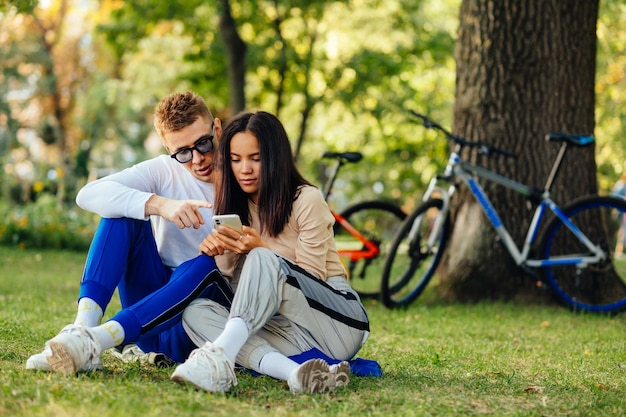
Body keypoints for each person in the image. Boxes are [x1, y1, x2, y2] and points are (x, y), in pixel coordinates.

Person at [26, 91, 233, 373]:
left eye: (203, 144)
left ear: (217, 129)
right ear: (168, 149)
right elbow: (87, 195)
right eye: (183, 152)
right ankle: (83, 332)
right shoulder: (164, 170)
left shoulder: (245, 177)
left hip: (196, 321)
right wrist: (158, 204)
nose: (197, 159)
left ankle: (93, 341)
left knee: (205, 264)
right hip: (147, 319)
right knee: (122, 213)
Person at [169, 111, 371, 394]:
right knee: (196, 313)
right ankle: (295, 373)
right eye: (236, 160)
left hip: (336, 323)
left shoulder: (306, 199)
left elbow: (312, 279)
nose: (244, 169)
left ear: (274, 157)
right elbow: (231, 281)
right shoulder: (236, 204)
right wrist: (221, 248)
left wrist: (261, 249)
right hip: (284, 330)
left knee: (262, 258)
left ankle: (220, 356)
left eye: (255, 158)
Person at [612, 173, 626, 255]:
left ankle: (619, 251)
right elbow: (614, 196)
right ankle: (618, 251)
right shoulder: (620, 185)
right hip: (620, 212)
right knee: (622, 231)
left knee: (623, 231)